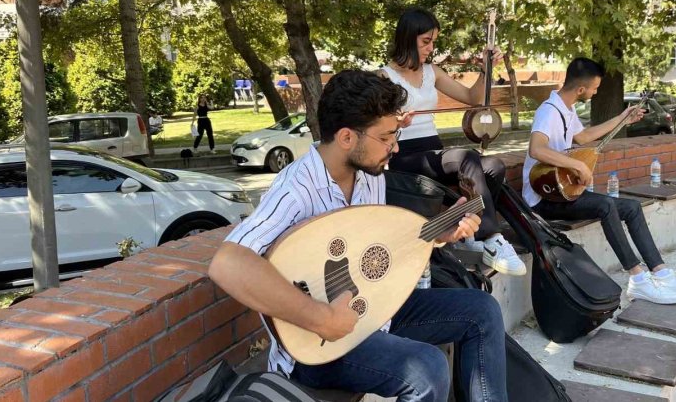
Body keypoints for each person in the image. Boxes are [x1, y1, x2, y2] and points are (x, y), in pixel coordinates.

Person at [208, 70, 508, 402]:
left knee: (482, 310)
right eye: (386, 137)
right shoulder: (297, 189)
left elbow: (376, 249)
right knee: (426, 368)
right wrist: (323, 319)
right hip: (316, 349)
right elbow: (227, 263)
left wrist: (439, 234)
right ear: (348, 137)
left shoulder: (370, 175)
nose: (394, 147)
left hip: (373, 313)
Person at [522, 57, 676, 305]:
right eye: (595, 88)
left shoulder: (566, 108)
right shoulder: (549, 111)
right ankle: (637, 279)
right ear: (581, 89)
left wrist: (622, 119)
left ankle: (661, 272)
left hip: (562, 191)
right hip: (542, 198)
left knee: (631, 207)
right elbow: (537, 149)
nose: (596, 91)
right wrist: (576, 164)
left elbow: (584, 136)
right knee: (606, 205)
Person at [380, 8, 526, 276]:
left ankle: (471, 228)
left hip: (433, 151)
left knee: (494, 166)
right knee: (465, 156)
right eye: (426, 41)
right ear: (407, 38)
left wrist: (486, 69)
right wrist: (396, 122)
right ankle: (489, 237)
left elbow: (473, 98)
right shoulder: (384, 77)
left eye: (433, 41)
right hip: (405, 156)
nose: (431, 48)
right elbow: (375, 128)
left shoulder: (432, 72)